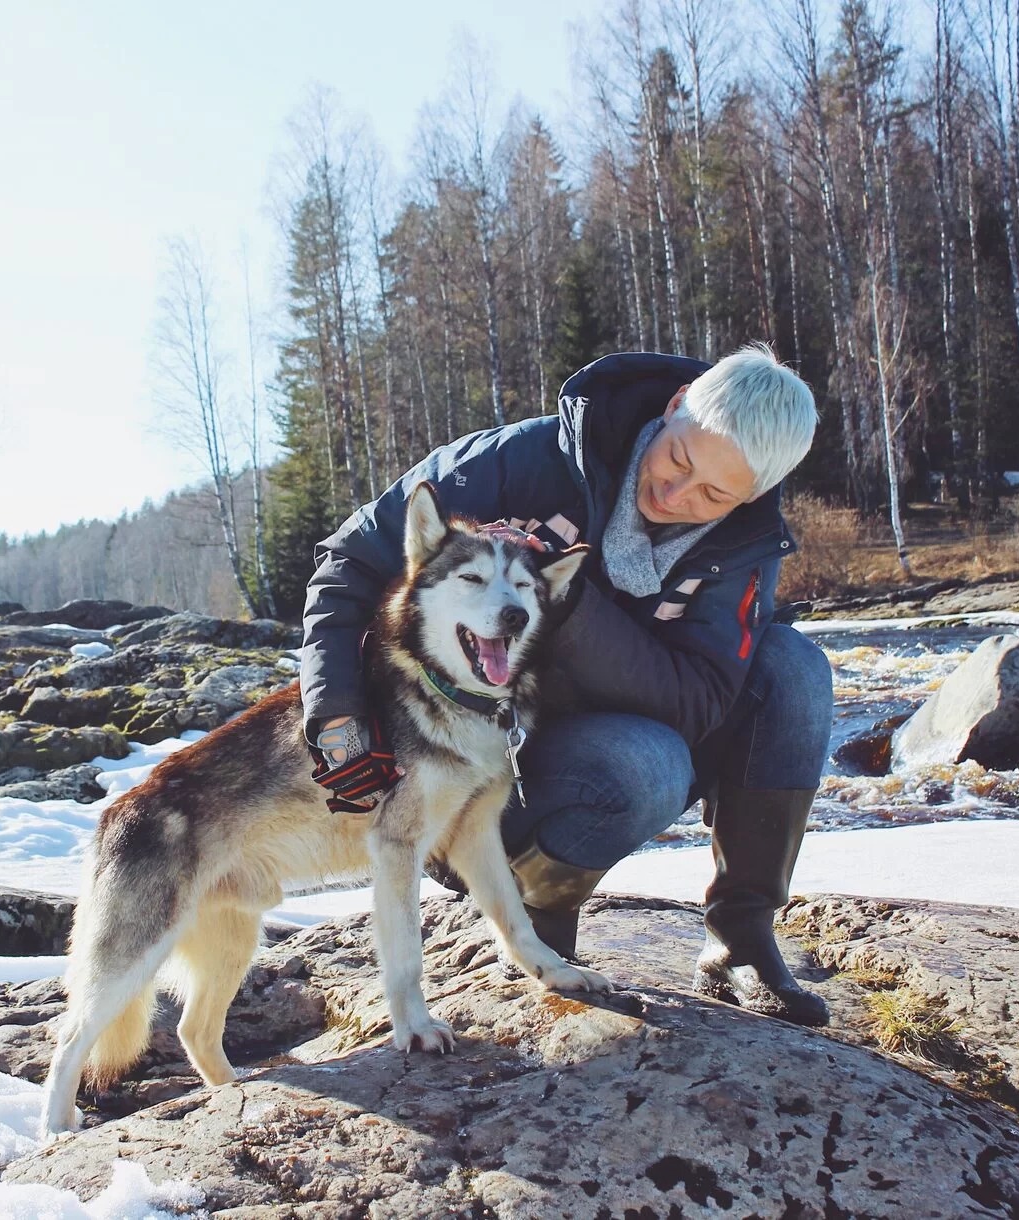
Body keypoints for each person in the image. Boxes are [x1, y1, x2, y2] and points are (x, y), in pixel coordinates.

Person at [299, 345, 834, 1026]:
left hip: (612, 734)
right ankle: (528, 914)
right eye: (678, 460)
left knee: (791, 669)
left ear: (750, 497)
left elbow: (702, 702)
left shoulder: (743, 550)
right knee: (642, 766)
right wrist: (335, 712)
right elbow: (348, 562)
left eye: (713, 495)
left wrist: (567, 600)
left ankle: (742, 940)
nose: (676, 495)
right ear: (674, 407)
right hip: (472, 759)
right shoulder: (524, 461)